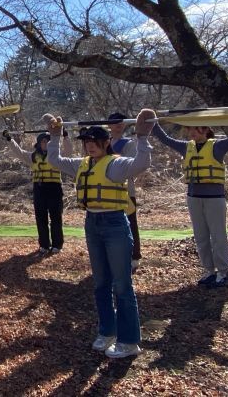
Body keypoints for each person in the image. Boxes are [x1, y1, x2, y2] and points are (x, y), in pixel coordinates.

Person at [45, 110, 155, 359]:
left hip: (115, 224)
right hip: (92, 224)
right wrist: (54, 136)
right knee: (101, 284)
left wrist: (142, 136)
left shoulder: (115, 164)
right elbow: (55, 160)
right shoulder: (82, 165)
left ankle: (129, 341)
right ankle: (107, 331)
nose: (90, 146)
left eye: (95, 142)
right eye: (86, 142)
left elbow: (142, 163)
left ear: (106, 143)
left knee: (122, 285)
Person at [152, 107, 228, 288]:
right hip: (193, 197)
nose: (191, 132)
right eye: (190, 129)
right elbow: (164, 139)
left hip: (214, 199)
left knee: (218, 236)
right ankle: (208, 270)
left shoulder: (217, 146)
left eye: (195, 129)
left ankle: (223, 272)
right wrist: (152, 121)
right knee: (201, 236)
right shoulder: (186, 147)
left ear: (205, 130)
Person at [3, 128, 71, 255]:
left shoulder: (57, 156)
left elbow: (69, 151)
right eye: (43, 142)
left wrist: (65, 136)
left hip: (54, 188)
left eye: (48, 142)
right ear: (39, 143)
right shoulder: (33, 157)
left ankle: (57, 245)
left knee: (56, 218)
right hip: (39, 189)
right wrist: (9, 139)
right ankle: (44, 245)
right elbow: (19, 152)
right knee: (41, 218)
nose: (46, 144)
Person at [107, 112, 143, 273]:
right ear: (109, 125)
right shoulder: (102, 142)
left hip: (126, 190)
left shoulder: (128, 143)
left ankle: (134, 257)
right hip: (106, 190)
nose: (118, 125)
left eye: (120, 122)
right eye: (114, 122)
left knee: (130, 223)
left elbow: (131, 166)